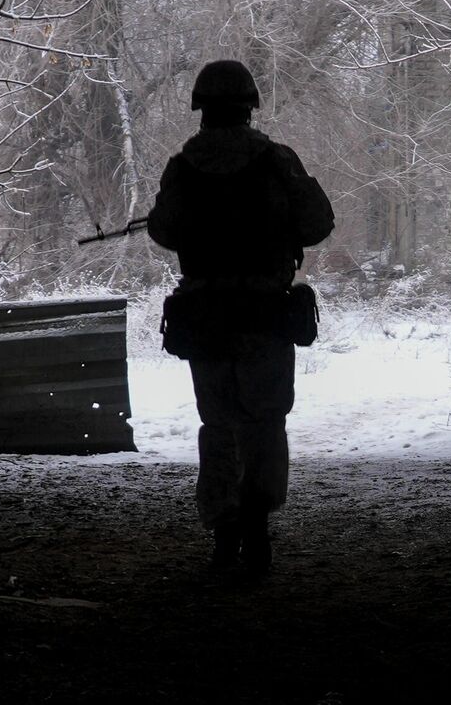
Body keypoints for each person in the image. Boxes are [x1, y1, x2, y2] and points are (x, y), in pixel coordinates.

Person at [147, 59, 333, 574]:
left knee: (218, 423)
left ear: (201, 108)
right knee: (265, 422)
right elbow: (318, 222)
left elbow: (163, 231)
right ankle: (257, 529)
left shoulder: (183, 166)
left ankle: (224, 536)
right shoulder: (277, 161)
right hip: (264, 317)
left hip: (206, 319)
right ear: (250, 106)